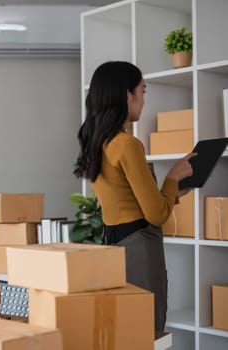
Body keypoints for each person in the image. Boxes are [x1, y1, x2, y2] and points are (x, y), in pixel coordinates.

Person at [73, 61, 195, 332]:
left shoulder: (99, 143)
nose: (143, 100)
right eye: (143, 90)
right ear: (127, 95)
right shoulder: (128, 144)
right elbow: (157, 214)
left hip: (113, 245)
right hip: (140, 246)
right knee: (148, 329)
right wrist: (173, 177)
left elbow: (124, 200)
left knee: (126, 330)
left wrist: (172, 192)